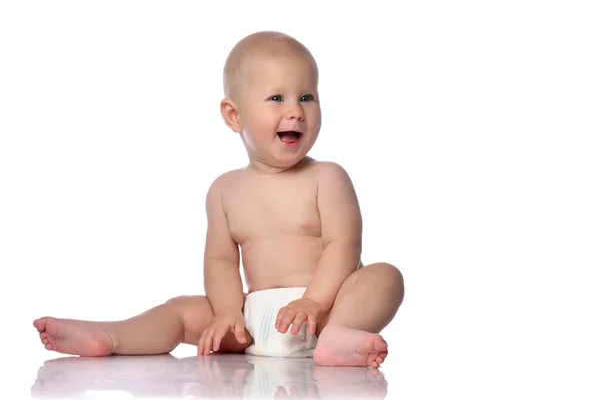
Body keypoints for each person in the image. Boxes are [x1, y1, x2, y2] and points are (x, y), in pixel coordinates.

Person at [33, 31, 405, 368]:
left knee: (383, 277)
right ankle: (112, 336)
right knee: (182, 311)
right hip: (256, 322)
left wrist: (314, 302)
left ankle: (340, 335)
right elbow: (221, 260)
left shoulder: (327, 176)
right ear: (233, 115)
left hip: (324, 310)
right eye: (277, 98)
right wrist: (227, 311)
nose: (296, 110)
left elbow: (343, 245)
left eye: (307, 97)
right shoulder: (224, 190)